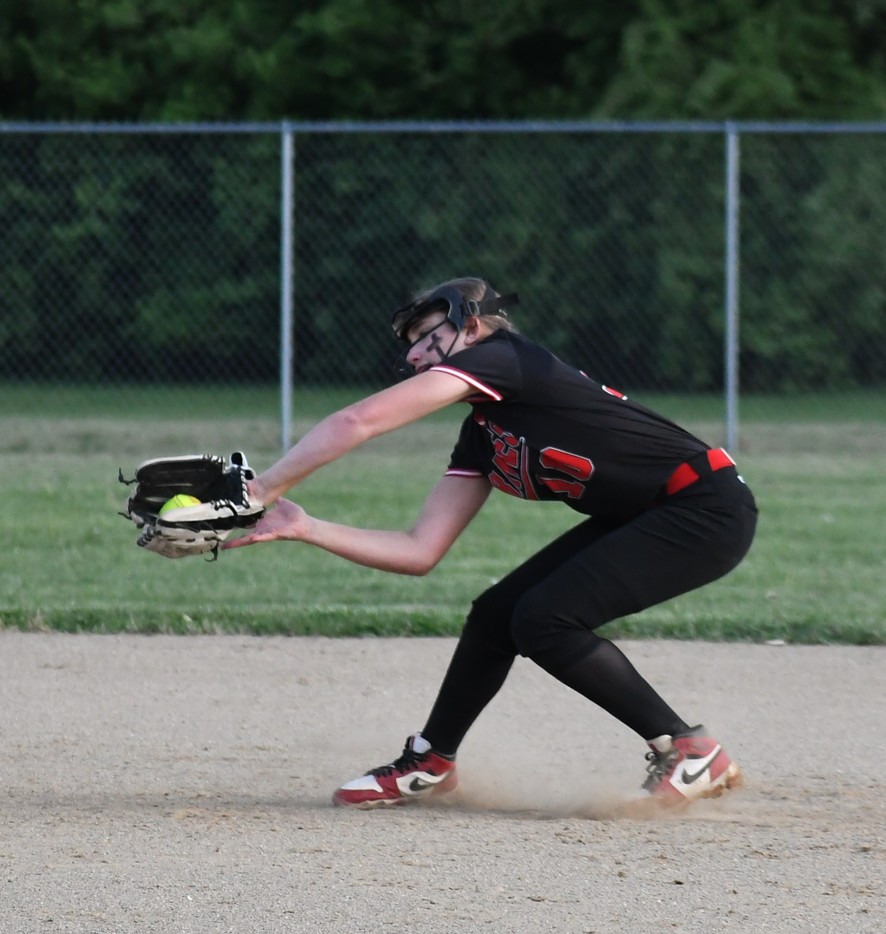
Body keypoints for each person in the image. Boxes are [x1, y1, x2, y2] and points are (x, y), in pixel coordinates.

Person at [223, 277, 758, 810]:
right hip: (649, 512)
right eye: (408, 343)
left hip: (703, 507)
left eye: (425, 335)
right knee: (496, 615)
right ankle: (431, 762)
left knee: (544, 619)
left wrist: (262, 488)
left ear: (472, 327)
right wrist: (306, 527)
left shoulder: (505, 358)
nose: (412, 355)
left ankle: (687, 747)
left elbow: (358, 419)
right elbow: (419, 550)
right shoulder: (482, 433)